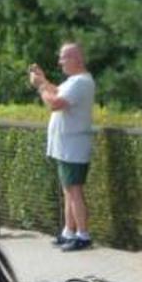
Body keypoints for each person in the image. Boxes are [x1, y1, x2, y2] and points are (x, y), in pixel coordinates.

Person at [30, 42, 96, 251]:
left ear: (75, 58)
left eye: (63, 58)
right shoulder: (73, 82)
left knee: (74, 190)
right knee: (68, 190)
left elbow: (55, 102)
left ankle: (83, 234)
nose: (60, 63)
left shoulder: (81, 82)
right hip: (65, 145)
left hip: (73, 145)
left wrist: (41, 86)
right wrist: (43, 80)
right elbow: (57, 91)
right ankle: (69, 231)